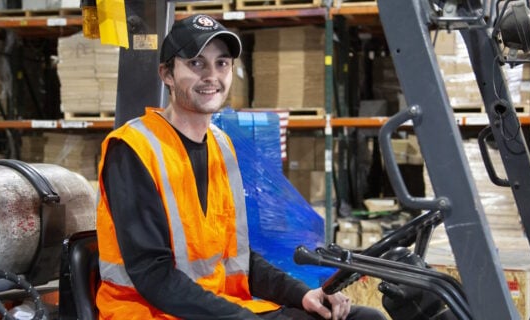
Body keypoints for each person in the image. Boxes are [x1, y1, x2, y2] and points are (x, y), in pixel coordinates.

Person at [95, 13, 387, 320]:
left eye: (221, 64)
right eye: (196, 63)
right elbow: (153, 275)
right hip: (150, 313)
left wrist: (302, 293)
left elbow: (239, 257)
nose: (212, 76)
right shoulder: (133, 149)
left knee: (365, 318)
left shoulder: (221, 145)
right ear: (166, 74)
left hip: (218, 306)